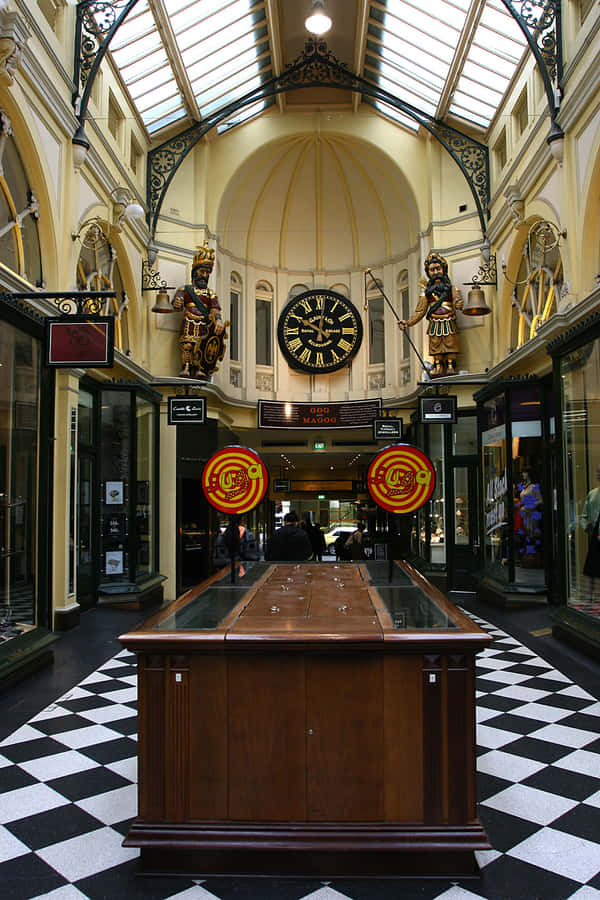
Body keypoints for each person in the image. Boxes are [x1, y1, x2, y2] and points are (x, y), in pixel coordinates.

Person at [398, 251, 463, 377]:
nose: (435, 272)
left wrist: (458, 303)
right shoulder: (426, 294)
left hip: (449, 319)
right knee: (435, 343)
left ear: (443, 269)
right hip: (434, 322)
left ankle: (450, 365)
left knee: (450, 341)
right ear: (428, 273)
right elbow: (420, 311)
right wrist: (408, 322)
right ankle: (438, 366)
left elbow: (457, 299)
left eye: (438, 268)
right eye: (432, 270)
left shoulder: (451, 289)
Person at [172, 243, 226, 377]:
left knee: (201, 347)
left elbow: (214, 309)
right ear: (195, 272)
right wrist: (178, 302)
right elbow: (177, 302)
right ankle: (186, 367)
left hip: (204, 324)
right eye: (202, 271)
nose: (205, 275)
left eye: (207, 273)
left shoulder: (210, 293)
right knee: (188, 346)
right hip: (189, 321)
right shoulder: (186, 289)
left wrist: (218, 320)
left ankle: (200, 368)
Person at [581, 466, 600, 595]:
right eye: (597, 471)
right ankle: (588, 600)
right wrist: (586, 525)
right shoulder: (592, 494)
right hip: (596, 535)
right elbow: (584, 515)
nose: (598, 474)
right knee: (589, 570)